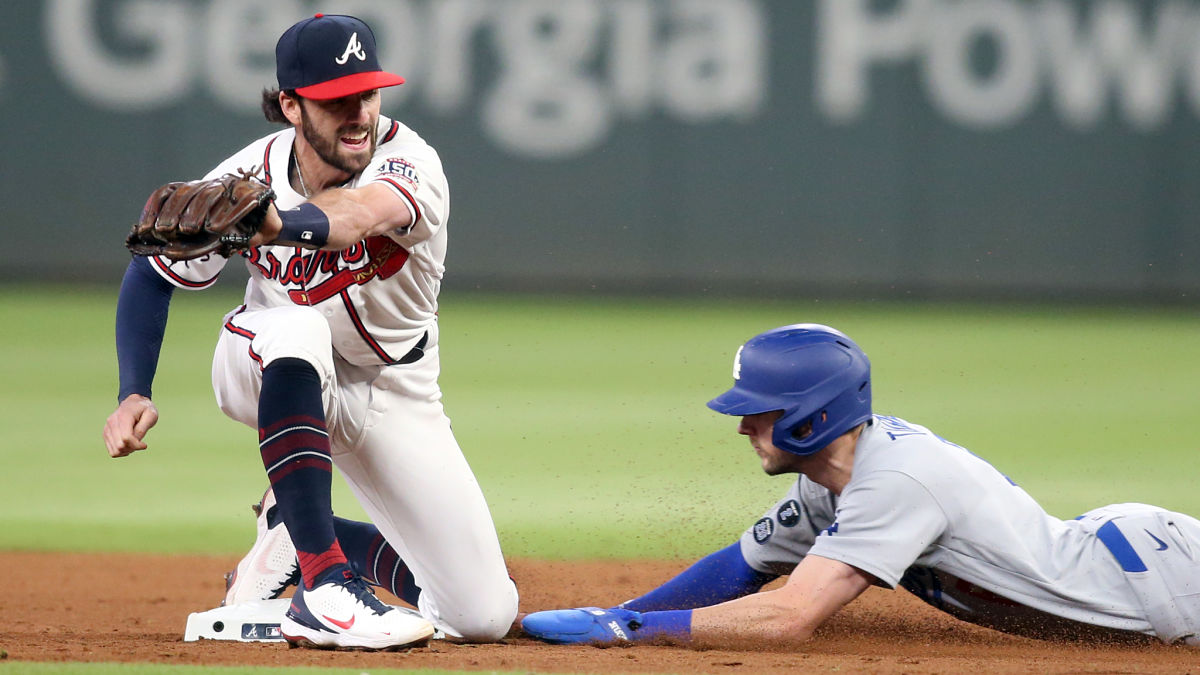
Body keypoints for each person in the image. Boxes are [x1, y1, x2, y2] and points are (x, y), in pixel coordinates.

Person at [101, 13, 518, 651]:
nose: (358, 114)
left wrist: (272, 224)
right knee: (296, 325)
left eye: (368, 93)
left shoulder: (412, 161)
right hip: (267, 366)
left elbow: (354, 216)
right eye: (335, 100)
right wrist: (134, 389)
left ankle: (291, 530)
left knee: (481, 616)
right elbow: (153, 269)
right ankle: (325, 587)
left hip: (396, 390)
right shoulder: (249, 174)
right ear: (292, 106)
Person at [521, 324, 1200, 650]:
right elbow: (739, 568)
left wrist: (628, 628)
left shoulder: (895, 481)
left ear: (812, 417)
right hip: (1127, 558)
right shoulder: (832, 479)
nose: (742, 428)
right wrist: (617, 608)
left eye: (758, 414)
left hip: (1163, 576)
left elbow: (789, 618)